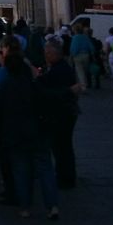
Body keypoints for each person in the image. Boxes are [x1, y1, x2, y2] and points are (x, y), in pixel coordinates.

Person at [0, 40, 58, 220]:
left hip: (15, 134)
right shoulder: (33, 85)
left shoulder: (4, 88)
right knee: (45, 169)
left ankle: (25, 207)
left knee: (21, 170)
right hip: (37, 131)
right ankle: (52, 205)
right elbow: (48, 101)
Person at [35, 37, 81, 190]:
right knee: (63, 146)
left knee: (61, 147)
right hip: (66, 112)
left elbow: (50, 90)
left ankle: (65, 177)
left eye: (47, 53)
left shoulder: (59, 69)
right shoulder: (61, 67)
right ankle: (66, 175)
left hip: (62, 114)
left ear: (53, 53)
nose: (45, 56)